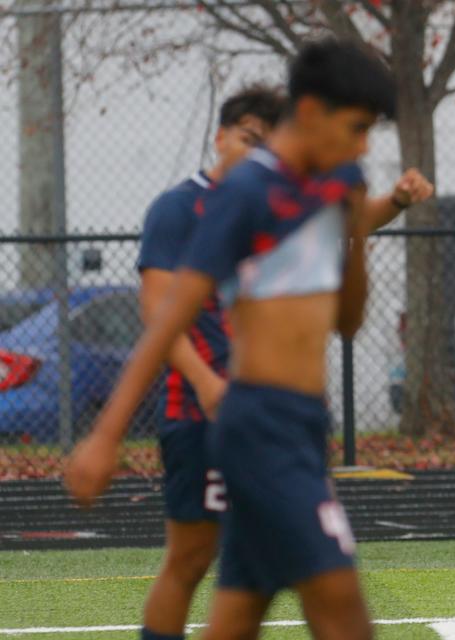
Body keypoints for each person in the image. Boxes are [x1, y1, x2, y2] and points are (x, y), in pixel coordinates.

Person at [66, 40, 430, 640]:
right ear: (311, 112)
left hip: (305, 423)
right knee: (341, 605)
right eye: (358, 127)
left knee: (237, 612)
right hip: (258, 422)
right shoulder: (245, 194)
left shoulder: (332, 185)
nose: (365, 145)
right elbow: (165, 316)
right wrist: (105, 436)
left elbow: (347, 321)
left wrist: (355, 228)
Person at [136, 84, 284, 640]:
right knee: (193, 557)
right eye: (248, 140)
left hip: (267, 414)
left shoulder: (276, 211)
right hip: (200, 414)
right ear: (221, 138)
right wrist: (205, 383)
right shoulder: (178, 208)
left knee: (269, 561)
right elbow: (158, 311)